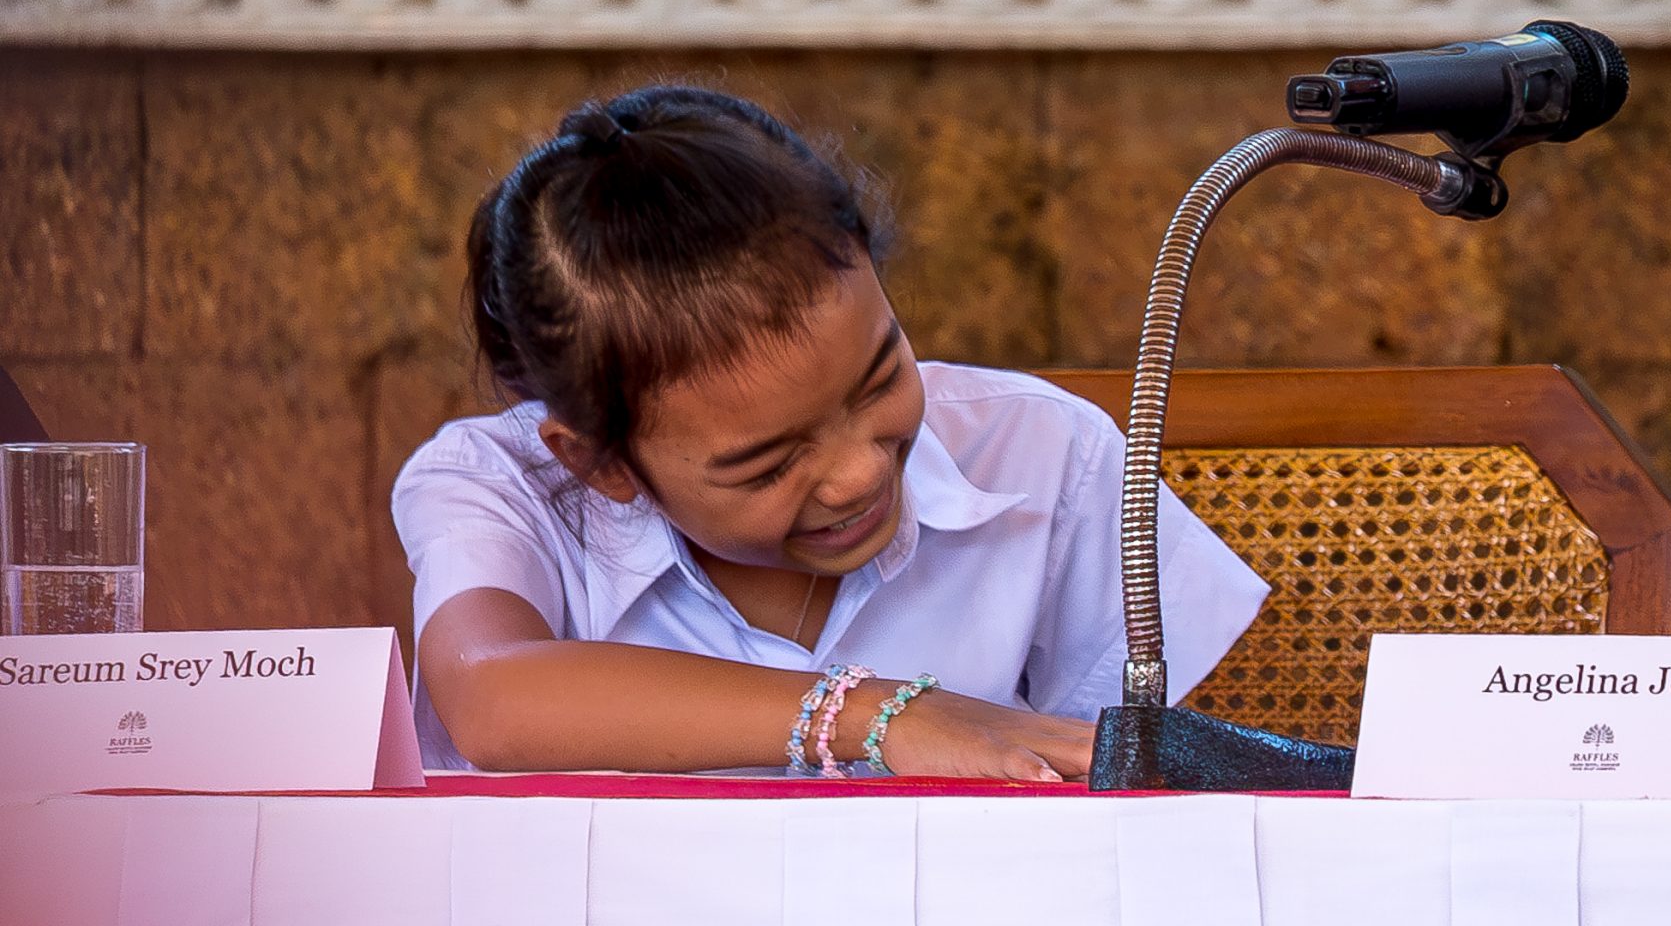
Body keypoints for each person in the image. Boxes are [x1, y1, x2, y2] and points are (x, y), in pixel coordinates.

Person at [395, 85, 1266, 776]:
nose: (856, 473)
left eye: (882, 376)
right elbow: (491, 691)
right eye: (767, 462)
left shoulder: (1048, 457)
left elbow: (1147, 789)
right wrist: (880, 716)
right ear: (602, 464)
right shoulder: (501, 486)